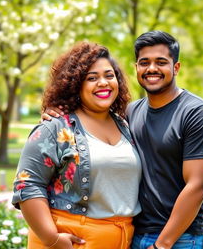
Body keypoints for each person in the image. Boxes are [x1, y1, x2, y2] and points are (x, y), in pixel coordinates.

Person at [42, 31, 203, 249]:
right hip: (133, 233)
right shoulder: (130, 113)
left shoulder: (197, 113)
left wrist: (163, 244)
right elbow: (90, 110)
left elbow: (197, 185)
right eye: (144, 62)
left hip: (178, 238)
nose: (152, 69)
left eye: (161, 62)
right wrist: (57, 112)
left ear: (176, 68)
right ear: (136, 68)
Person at [12, 42, 141, 249]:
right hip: (70, 241)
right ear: (75, 84)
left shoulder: (125, 125)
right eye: (92, 78)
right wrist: (52, 239)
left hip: (123, 239)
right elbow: (27, 185)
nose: (103, 83)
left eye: (109, 75)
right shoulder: (54, 128)